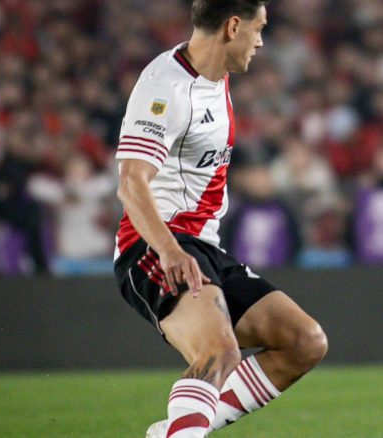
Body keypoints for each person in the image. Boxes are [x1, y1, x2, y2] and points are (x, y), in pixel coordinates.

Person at [112, 2, 327, 437]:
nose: (261, 41)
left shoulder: (215, 78)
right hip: (153, 245)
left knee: (304, 341)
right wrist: (169, 250)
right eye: (259, 29)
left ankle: (178, 431)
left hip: (204, 247)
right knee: (217, 352)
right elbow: (131, 183)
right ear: (233, 26)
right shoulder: (164, 87)